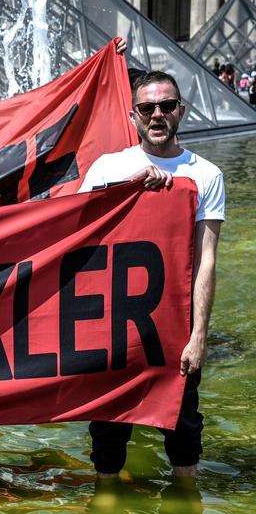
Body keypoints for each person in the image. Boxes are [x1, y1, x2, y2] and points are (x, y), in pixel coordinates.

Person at [78, 70, 225, 483]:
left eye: (165, 105)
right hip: (113, 327)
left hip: (173, 330)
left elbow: (205, 261)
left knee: (183, 432)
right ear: (133, 116)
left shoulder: (205, 175)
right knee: (107, 435)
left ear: (181, 110)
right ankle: (107, 513)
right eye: (147, 107)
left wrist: (199, 336)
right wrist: (128, 190)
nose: (156, 114)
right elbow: (71, 232)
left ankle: (183, 513)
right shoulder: (109, 168)